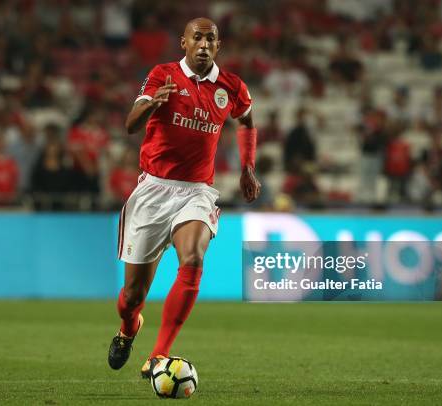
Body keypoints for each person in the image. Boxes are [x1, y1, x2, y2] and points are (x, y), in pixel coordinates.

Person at [108, 17, 260, 378]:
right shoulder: (162, 75)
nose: (204, 44)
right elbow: (130, 124)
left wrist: (247, 168)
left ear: (218, 46)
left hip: (197, 191)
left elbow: (248, 122)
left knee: (193, 257)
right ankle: (129, 329)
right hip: (153, 190)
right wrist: (151, 104)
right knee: (131, 297)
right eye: (197, 37)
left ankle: (159, 355)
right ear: (184, 43)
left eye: (211, 39)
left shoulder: (231, 86)